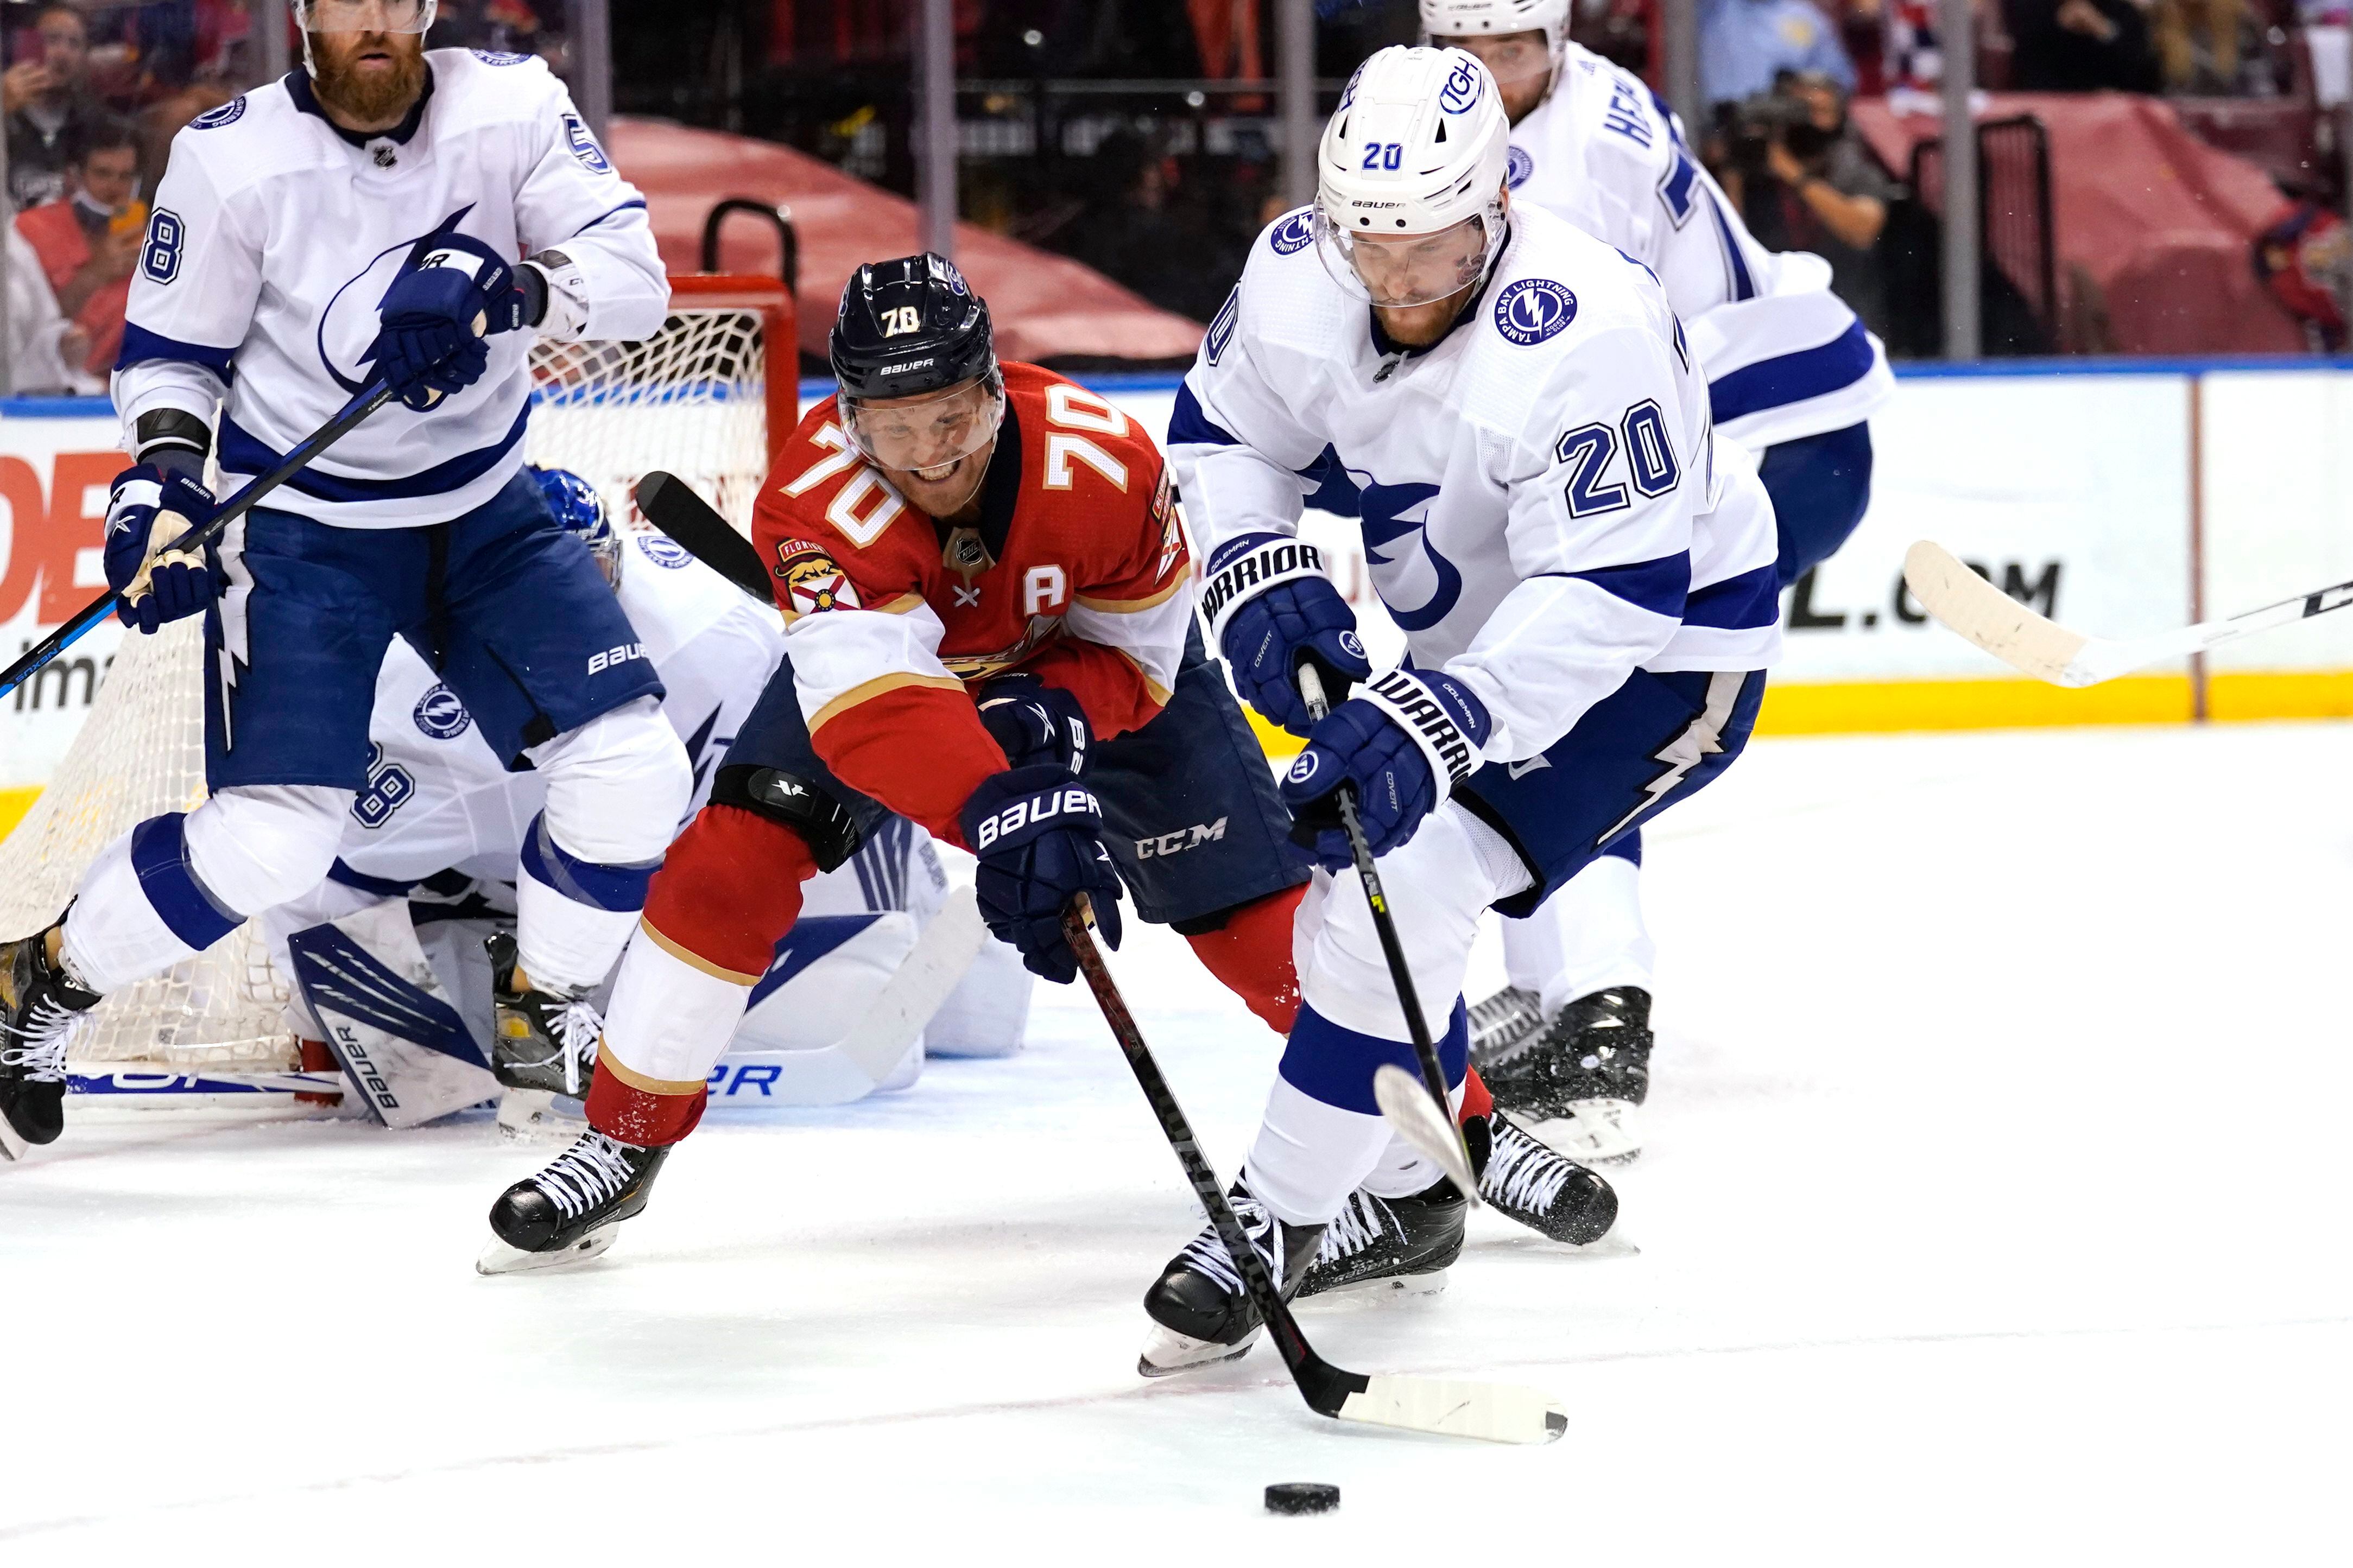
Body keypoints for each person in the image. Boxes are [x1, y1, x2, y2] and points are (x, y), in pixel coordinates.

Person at [475, 251, 1622, 1277]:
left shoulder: (1104, 461)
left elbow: (1145, 659)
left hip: (1098, 683)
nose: (929, 455)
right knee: (726, 861)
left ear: (991, 388)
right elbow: (868, 705)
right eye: (894, 426)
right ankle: (621, 1139)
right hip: (910, 700)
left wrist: (1050, 721)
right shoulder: (810, 499)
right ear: (852, 414)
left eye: (952, 418)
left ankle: (1464, 1123)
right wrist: (1000, 806)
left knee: (1270, 931)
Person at [1154, 44, 1774, 1372]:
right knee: (1366, 893)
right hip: (1480, 644)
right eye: (1368, 247)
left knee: (1412, 872)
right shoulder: (1292, 273)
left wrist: (1443, 714)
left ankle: (1284, 1209)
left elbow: (1615, 589)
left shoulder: (1587, 322)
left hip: (1663, 654)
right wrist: (1256, 567)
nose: (1396, 285)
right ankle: (1413, 1183)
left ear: (1496, 207)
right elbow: (1222, 439)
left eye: (1430, 252)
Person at [0, 2, 680, 1164]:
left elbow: (634, 280)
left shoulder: (512, 105)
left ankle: (545, 1008)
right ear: (307, 12)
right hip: (307, 532)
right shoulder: (230, 154)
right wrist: (165, 482)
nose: (372, 20)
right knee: (277, 839)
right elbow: (172, 354)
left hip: (487, 509)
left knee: (630, 761)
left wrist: (510, 290)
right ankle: (41, 983)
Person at [1417, 2, 1892, 1162]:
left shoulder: (1565, 167)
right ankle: (1556, 979)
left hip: (1782, 436)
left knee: (1568, 712)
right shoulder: (1528, 114)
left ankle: (1601, 1019)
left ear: (1559, 43)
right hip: (1738, 417)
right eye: (1464, 52)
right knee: (1526, 706)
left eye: (1512, 50)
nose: (1487, 74)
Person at [255, 467, 1022, 1133]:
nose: (557, 623)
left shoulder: (719, 624)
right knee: (848, 1000)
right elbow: (317, 889)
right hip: (522, 913)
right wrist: (348, 1022)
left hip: (730, 843)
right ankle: (504, 965)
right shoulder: (419, 732)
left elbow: (848, 699)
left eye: (582, 581)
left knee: (982, 1017)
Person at [14, 117, 146, 384]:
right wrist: (93, 276)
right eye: (102, 173)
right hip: (50, 386)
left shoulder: (154, 236)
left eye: (126, 177)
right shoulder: (32, 228)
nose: (114, 188)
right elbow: (24, 328)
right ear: (74, 176)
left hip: (127, 387)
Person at [1697, 0, 1858, 107]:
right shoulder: (1714, 8)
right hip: (1711, 129)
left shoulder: (1808, 20)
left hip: (1780, 137)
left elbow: (1840, 87)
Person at [2006, 0, 2162, 92]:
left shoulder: (2121, 12)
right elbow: (2029, 67)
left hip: (2112, 114)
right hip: (2052, 107)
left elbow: (2141, 72)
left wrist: (2103, 30)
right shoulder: (2032, 9)